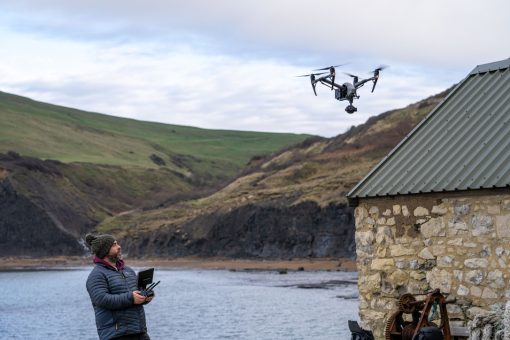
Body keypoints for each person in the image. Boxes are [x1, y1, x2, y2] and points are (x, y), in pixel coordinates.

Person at [85, 233, 153, 340]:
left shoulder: (128, 270)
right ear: (105, 250)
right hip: (116, 335)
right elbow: (102, 299)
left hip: (139, 331)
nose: (119, 247)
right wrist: (131, 298)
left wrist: (146, 296)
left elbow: (136, 293)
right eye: (114, 245)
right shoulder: (97, 275)